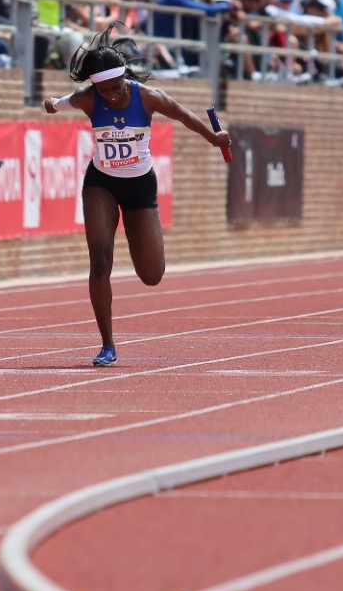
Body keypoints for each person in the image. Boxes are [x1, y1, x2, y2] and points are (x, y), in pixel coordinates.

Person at [44, 26, 231, 366]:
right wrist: (50, 105)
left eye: (116, 87)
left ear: (125, 78)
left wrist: (213, 137)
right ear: (95, 86)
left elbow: (185, 115)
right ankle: (107, 345)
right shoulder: (88, 98)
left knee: (152, 274)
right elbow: (57, 104)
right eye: (104, 90)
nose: (112, 95)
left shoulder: (148, 96)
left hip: (139, 185)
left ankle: (138, 238)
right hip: (100, 182)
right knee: (100, 262)